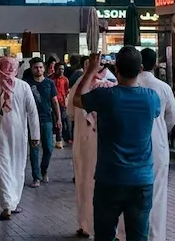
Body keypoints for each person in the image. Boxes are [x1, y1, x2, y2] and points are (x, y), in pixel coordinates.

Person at [73, 48, 161, 241]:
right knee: (138, 237)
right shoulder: (151, 98)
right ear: (140, 69)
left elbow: (77, 100)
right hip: (141, 180)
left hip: (109, 179)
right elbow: (157, 115)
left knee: (104, 235)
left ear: (116, 68)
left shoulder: (107, 96)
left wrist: (90, 71)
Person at [0, 55, 40, 220]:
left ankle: (7, 204)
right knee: (17, 167)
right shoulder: (23, 86)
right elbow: (32, 112)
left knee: (2, 168)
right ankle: (11, 203)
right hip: (18, 133)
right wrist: (35, 135)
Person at [68, 61, 116, 237]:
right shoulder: (114, 86)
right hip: (107, 147)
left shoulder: (80, 86)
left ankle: (86, 225)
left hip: (85, 145)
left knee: (84, 183)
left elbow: (70, 112)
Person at [137, 47, 175, 241]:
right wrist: (161, 130)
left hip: (133, 147)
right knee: (157, 195)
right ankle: (155, 236)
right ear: (155, 65)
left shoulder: (130, 84)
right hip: (158, 146)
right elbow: (172, 117)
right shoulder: (163, 87)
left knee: (132, 195)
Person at [27, 57, 61, 186]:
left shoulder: (49, 83)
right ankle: (36, 177)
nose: (38, 69)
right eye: (36, 67)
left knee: (48, 148)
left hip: (47, 119)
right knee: (34, 149)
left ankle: (43, 170)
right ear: (31, 69)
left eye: (40, 67)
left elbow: (55, 101)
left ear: (44, 68)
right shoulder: (27, 84)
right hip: (31, 120)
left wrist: (58, 119)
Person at [52, 61, 72, 146]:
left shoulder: (65, 79)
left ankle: (65, 138)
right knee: (56, 121)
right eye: (59, 69)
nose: (61, 71)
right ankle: (58, 138)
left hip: (62, 103)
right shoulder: (50, 79)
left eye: (62, 69)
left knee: (64, 121)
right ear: (55, 69)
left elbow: (67, 90)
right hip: (53, 104)